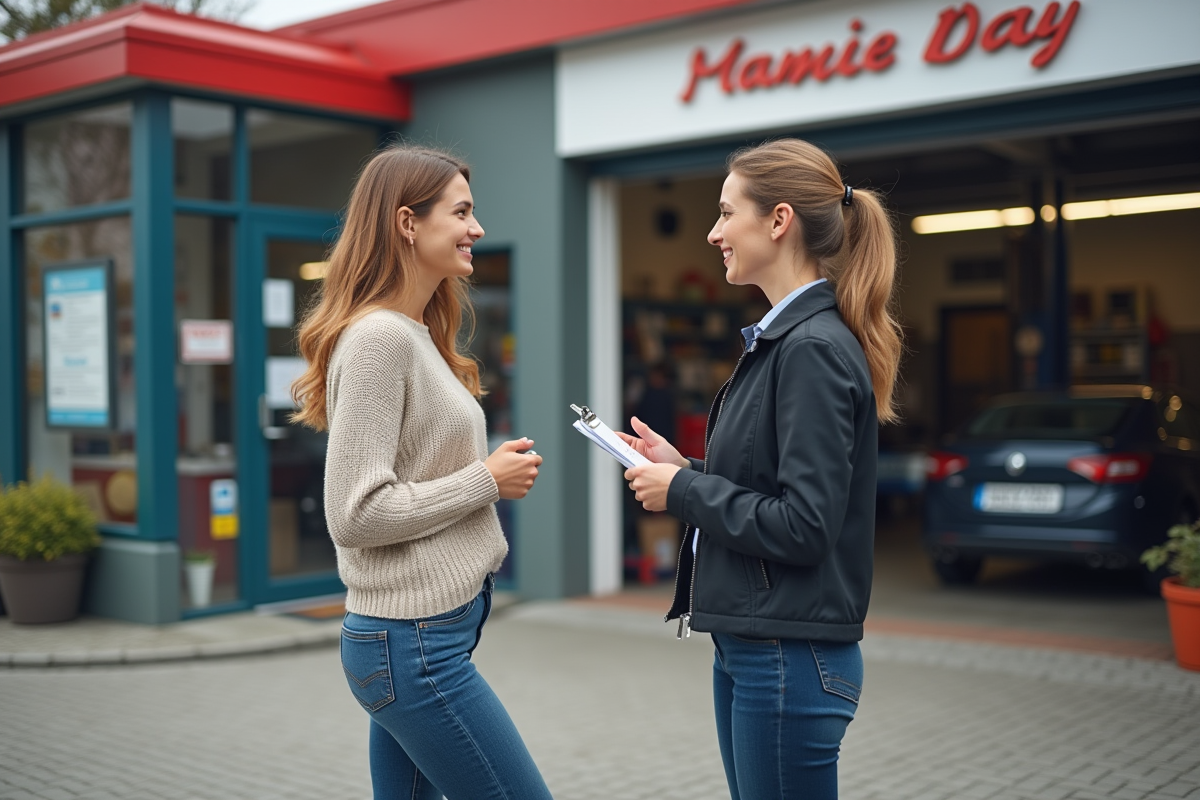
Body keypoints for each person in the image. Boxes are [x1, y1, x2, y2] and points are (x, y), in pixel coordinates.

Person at [619, 138, 902, 800]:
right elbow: (767, 485)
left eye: (725, 212)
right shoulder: (787, 341)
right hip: (758, 647)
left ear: (778, 221)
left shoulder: (809, 349)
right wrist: (681, 467)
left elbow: (805, 524)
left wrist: (683, 490)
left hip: (786, 654)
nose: (714, 232)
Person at [291, 145, 552, 800]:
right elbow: (353, 513)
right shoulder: (380, 339)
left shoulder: (412, 333)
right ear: (408, 223)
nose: (477, 228)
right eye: (462, 212)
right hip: (414, 649)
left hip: (418, 643)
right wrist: (486, 481)